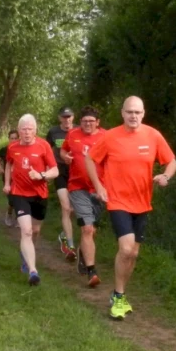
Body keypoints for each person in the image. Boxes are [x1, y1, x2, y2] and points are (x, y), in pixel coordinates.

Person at [86, 96, 176, 319]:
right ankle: (118, 296)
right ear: (122, 113)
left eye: (137, 112)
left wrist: (165, 175)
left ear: (143, 113)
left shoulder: (153, 135)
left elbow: (171, 161)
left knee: (134, 254)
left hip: (142, 202)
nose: (133, 116)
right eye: (129, 112)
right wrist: (99, 186)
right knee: (126, 249)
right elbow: (90, 159)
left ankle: (121, 293)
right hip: (118, 201)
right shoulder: (111, 136)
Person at [3, 114, 58, 286]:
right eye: (23, 129)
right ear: (19, 131)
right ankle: (33, 271)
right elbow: (8, 165)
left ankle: (27, 253)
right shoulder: (12, 147)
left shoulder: (44, 145)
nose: (27, 132)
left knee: (34, 231)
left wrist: (41, 175)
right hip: (19, 193)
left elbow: (55, 170)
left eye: (30, 129)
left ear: (35, 130)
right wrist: (7, 183)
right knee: (25, 231)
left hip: (39, 194)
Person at [60, 106, 105, 288]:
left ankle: (82, 253)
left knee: (92, 230)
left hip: (99, 189)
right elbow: (63, 151)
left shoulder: (105, 137)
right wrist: (65, 157)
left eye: (91, 121)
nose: (87, 124)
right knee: (87, 228)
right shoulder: (72, 135)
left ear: (97, 123)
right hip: (77, 187)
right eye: (85, 121)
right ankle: (92, 271)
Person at [46, 107, 76, 260]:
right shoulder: (53, 132)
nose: (67, 119)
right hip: (60, 171)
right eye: (64, 117)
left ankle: (64, 234)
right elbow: (46, 150)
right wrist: (47, 170)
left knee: (75, 210)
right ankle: (70, 246)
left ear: (73, 117)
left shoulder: (79, 130)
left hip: (77, 172)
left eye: (69, 116)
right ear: (60, 118)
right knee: (66, 207)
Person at [0, 128, 19, 226]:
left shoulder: (21, 149)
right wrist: (0, 168)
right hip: (8, 177)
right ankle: (9, 214)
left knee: (19, 198)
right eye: (11, 138)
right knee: (12, 199)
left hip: (19, 178)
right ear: (8, 139)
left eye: (15, 138)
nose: (13, 140)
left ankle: (20, 218)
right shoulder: (4, 150)